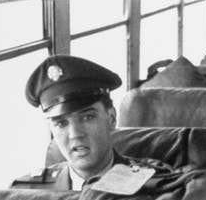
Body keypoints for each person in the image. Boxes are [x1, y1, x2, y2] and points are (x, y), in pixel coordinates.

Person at [12, 54, 171, 189]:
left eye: (87, 117)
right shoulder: (29, 193)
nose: (75, 134)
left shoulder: (154, 185)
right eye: (61, 123)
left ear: (111, 118)